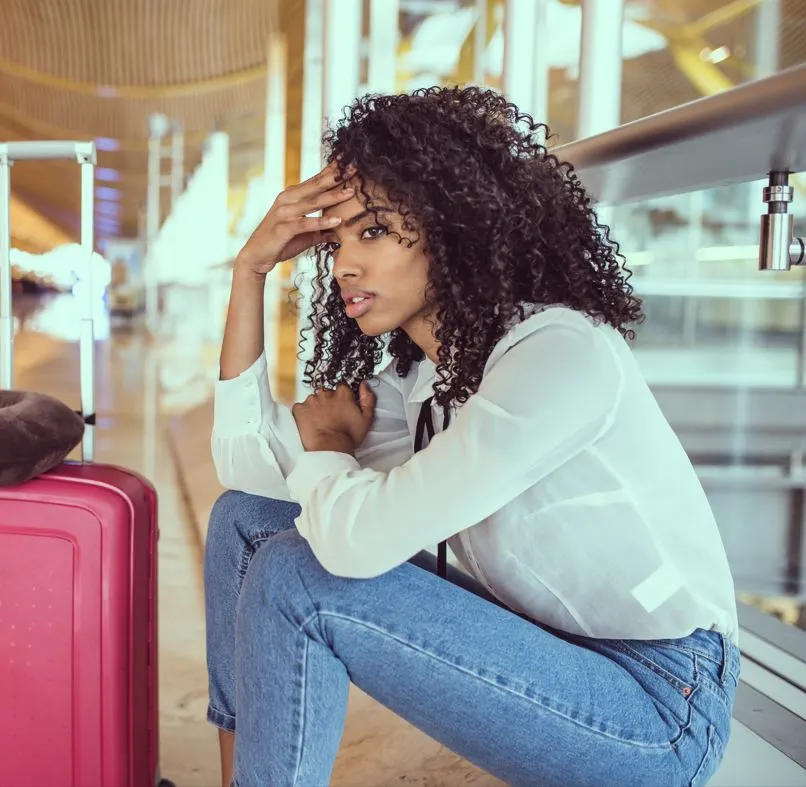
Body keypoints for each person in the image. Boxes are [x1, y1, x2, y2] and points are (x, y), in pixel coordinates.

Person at [206, 85, 739, 787]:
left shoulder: (559, 353)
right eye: (334, 243)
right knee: (246, 522)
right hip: (550, 653)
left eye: (371, 231)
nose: (342, 266)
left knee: (299, 574)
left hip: (661, 706)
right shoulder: (425, 381)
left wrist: (331, 451)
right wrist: (250, 271)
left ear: (451, 221)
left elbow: (355, 544)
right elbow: (244, 464)